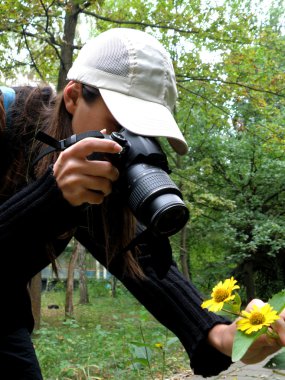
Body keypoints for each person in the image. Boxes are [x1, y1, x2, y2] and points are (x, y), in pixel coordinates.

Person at [0, 28, 285, 380]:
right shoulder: (5, 120)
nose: (130, 145)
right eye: (120, 126)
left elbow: (140, 258)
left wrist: (221, 335)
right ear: (73, 97)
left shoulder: (95, 172)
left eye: (145, 133)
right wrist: (50, 196)